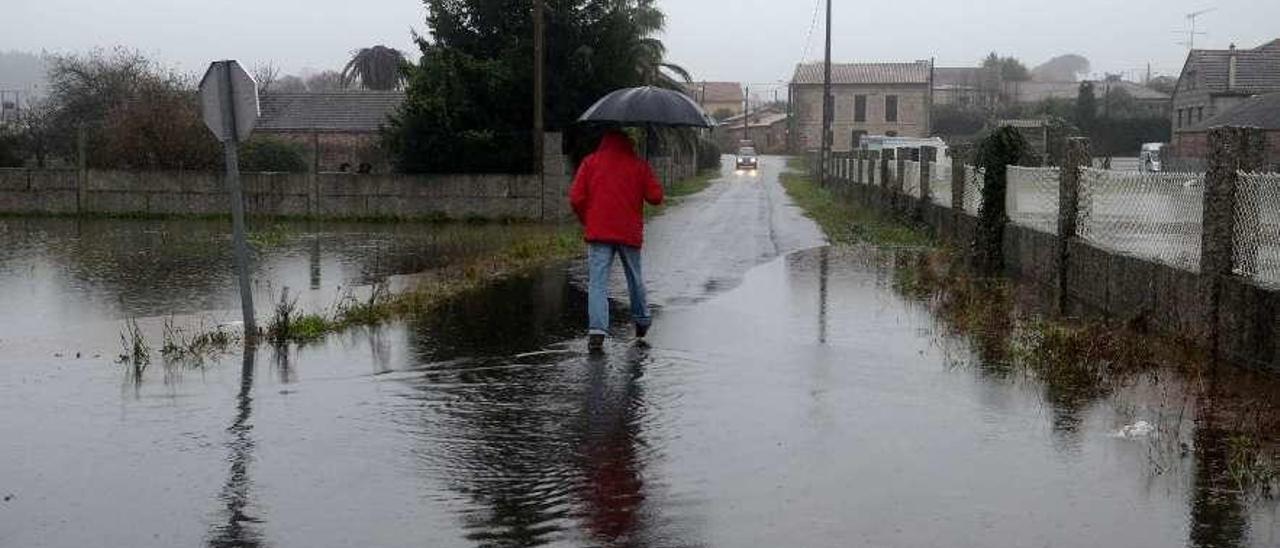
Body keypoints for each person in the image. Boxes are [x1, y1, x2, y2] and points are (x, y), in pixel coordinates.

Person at [569, 130, 664, 352]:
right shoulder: (638, 165)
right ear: (628, 144)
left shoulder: (590, 162)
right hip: (628, 232)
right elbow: (656, 197)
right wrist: (647, 173)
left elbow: (576, 198)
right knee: (634, 278)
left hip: (599, 231)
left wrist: (587, 219)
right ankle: (641, 320)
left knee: (598, 282)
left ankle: (597, 330)